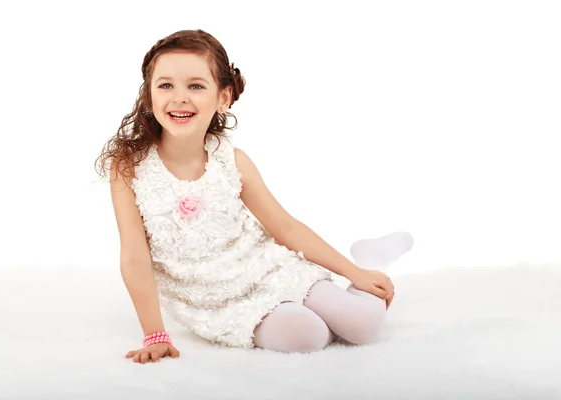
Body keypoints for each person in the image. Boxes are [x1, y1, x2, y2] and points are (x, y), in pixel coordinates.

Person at [95, 29, 414, 364]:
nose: (179, 97)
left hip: (265, 269)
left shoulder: (230, 159)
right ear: (148, 94)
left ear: (223, 96)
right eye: (165, 85)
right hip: (212, 302)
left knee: (362, 325)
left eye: (196, 86)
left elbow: (284, 227)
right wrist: (155, 334)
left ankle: (370, 259)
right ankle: (322, 313)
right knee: (307, 336)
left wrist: (355, 273)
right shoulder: (129, 166)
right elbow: (134, 257)